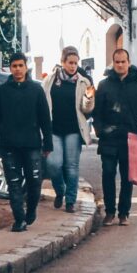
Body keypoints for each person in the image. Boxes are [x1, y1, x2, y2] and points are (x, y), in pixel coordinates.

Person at [0, 56, 52, 232]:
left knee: (34, 181)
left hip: (31, 144)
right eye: (14, 66)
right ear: (10, 68)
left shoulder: (36, 90)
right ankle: (19, 218)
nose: (17, 69)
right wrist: (2, 130)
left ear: (26, 67)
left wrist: (48, 144)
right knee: (14, 182)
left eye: (20, 66)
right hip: (9, 144)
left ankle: (31, 211)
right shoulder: (2, 91)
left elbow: (45, 118)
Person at [89, 46, 137, 225]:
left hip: (130, 138)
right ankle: (110, 212)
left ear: (128, 62)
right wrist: (99, 129)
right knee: (108, 174)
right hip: (109, 138)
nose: (120, 65)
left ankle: (124, 213)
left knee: (127, 177)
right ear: (113, 63)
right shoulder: (104, 85)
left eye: (123, 61)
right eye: (117, 62)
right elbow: (97, 111)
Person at [47, 47, 92, 213]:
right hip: (54, 130)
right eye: (70, 63)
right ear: (62, 62)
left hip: (73, 129)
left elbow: (87, 110)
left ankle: (71, 201)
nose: (73, 66)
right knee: (53, 164)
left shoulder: (83, 82)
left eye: (75, 63)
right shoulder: (50, 80)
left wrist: (89, 99)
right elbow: (44, 104)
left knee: (71, 167)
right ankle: (60, 191)